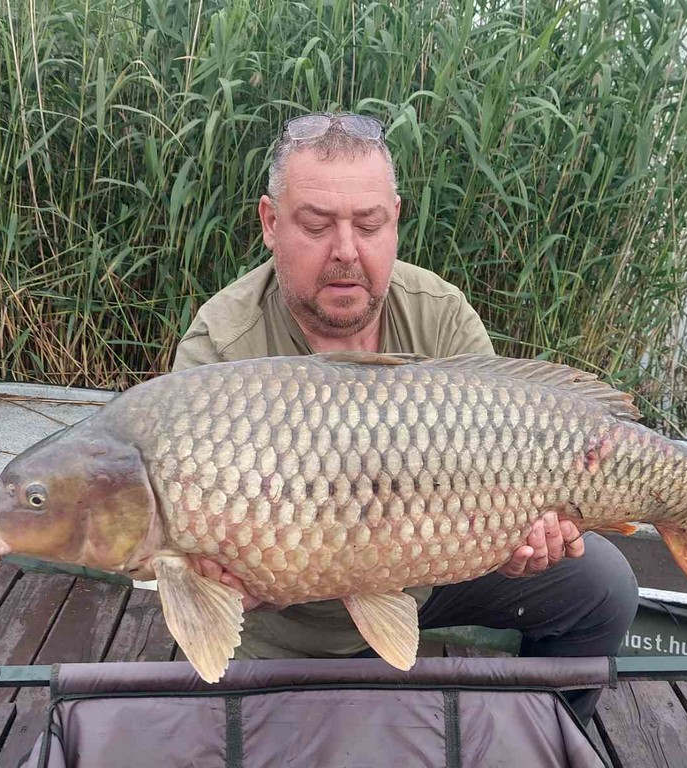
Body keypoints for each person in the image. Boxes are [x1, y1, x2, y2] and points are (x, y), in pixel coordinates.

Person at [171, 112, 639, 725]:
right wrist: (227, 580)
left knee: (603, 587)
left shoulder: (439, 315)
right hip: (289, 617)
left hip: (427, 572)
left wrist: (515, 541)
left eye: (368, 225)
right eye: (316, 225)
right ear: (270, 222)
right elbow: (194, 561)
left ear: (395, 220)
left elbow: (503, 478)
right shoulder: (219, 350)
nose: (346, 251)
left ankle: (541, 737)